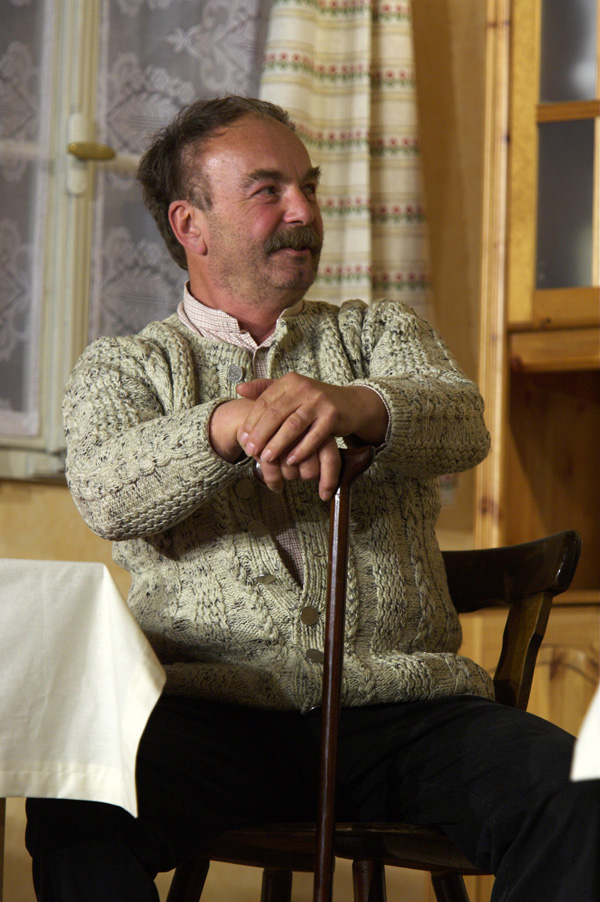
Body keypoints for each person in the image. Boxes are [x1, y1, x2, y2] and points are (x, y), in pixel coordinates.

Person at [26, 96, 598, 901]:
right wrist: (225, 426)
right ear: (191, 224)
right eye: (269, 190)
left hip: (408, 711)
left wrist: (357, 404)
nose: (304, 211)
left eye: (310, 187)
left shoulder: (378, 333)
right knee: (77, 795)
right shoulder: (122, 368)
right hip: (211, 716)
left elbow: (462, 423)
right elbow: (106, 493)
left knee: (583, 795)